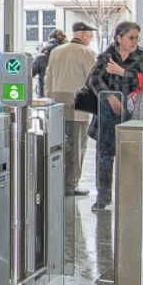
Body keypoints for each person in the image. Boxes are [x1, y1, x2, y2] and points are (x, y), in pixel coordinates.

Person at [86, 21, 143, 212]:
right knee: (104, 156)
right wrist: (109, 96)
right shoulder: (106, 57)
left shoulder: (142, 57)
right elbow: (94, 79)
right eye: (131, 38)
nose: (134, 42)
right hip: (107, 116)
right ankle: (103, 196)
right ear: (119, 38)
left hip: (132, 115)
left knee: (131, 156)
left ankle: (130, 197)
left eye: (136, 38)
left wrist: (121, 72)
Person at [44, 22, 97, 197]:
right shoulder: (88, 53)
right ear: (83, 35)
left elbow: (48, 78)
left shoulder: (56, 51)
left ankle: (56, 181)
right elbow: (93, 81)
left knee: (58, 144)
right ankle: (71, 184)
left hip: (57, 104)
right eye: (90, 35)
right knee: (77, 146)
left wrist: (50, 98)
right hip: (77, 105)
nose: (90, 38)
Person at [32, 29, 67, 97]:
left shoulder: (41, 57)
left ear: (49, 39)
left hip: (44, 96)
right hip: (63, 95)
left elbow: (28, 74)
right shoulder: (67, 56)